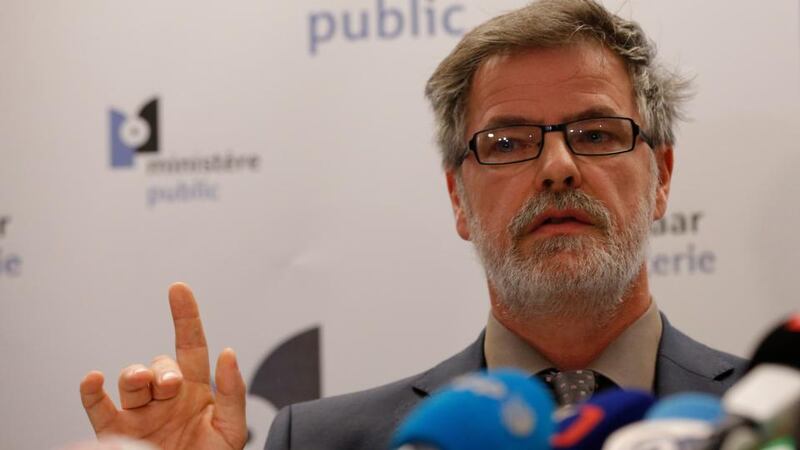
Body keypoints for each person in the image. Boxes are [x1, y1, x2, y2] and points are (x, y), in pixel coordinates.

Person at [79, 1, 747, 449]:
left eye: (596, 133)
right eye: (508, 143)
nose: (558, 167)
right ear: (458, 198)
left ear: (661, 177)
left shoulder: (774, 413)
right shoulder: (315, 441)